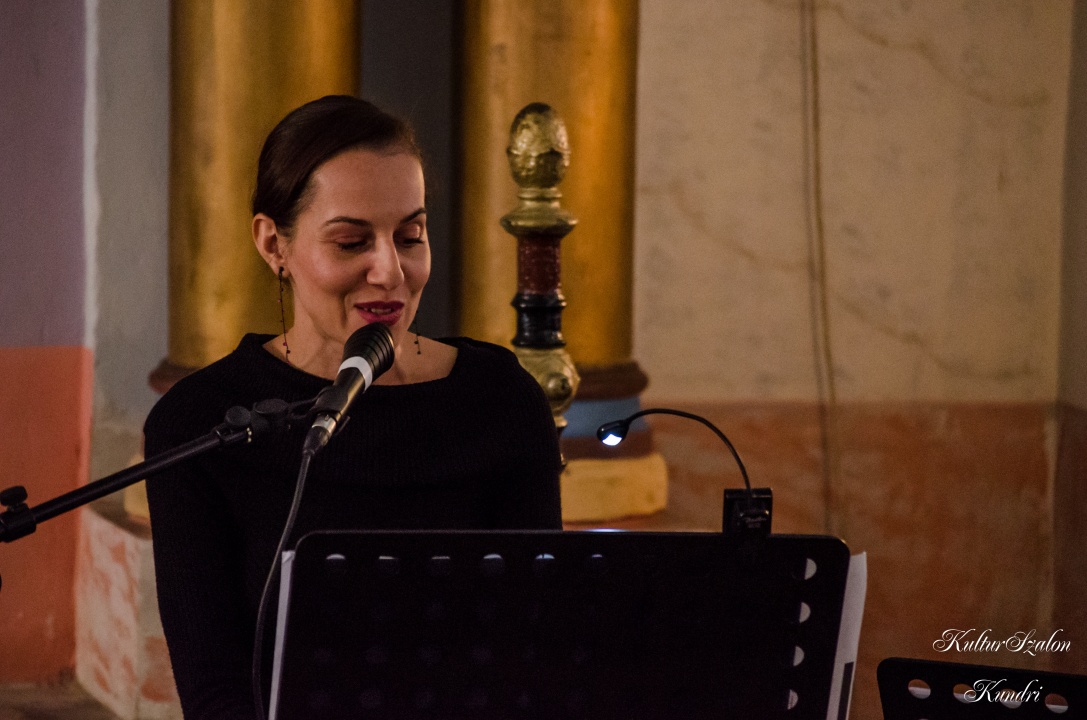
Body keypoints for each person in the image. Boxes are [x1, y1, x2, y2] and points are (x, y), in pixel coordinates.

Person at [144, 95, 563, 720]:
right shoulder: (199, 422)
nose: (390, 272)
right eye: (350, 242)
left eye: (411, 237)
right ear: (273, 244)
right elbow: (215, 691)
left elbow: (540, 647)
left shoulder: (499, 401)